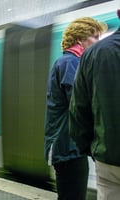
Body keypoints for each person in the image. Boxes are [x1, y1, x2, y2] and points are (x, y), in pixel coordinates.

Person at [44, 17, 107, 200]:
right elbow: (80, 101)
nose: (97, 42)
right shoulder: (70, 62)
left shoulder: (68, 61)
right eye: (94, 37)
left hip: (69, 146)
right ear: (80, 39)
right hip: (67, 147)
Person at [69, 10, 120, 200]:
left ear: (119, 14)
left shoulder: (92, 55)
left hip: (109, 161)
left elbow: (77, 112)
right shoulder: (68, 63)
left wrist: (94, 149)